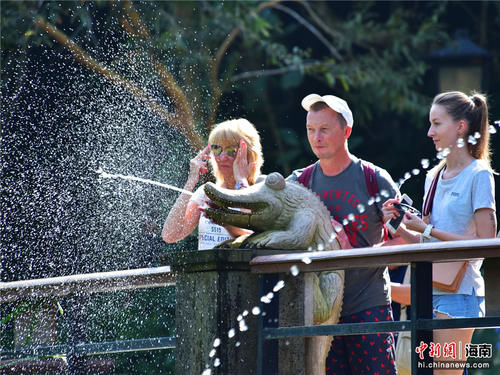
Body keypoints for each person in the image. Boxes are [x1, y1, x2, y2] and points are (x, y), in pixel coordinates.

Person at [288, 94, 402, 375]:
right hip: (320, 312)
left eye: (324, 129)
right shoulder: (299, 182)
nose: (316, 137)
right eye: (310, 130)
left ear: (346, 131)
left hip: (369, 304)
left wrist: (351, 249)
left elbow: (405, 239)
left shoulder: (374, 178)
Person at [383, 91, 496, 375]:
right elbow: (426, 243)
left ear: (460, 127)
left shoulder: (479, 174)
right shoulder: (433, 176)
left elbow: (486, 243)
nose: (429, 132)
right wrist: (399, 225)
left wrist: (427, 228)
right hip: (425, 290)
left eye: (436, 123)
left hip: (460, 295)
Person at [161, 118, 264, 249]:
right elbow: (170, 235)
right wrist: (191, 180)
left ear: (249, 154)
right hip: (209, 268)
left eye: (231, 150)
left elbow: (257, 242)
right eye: (216, 149)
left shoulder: (262, 190)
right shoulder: (207, 192)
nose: (222, 157)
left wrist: (241, 182)